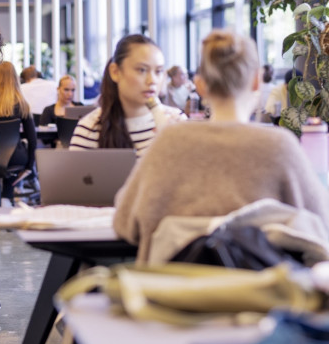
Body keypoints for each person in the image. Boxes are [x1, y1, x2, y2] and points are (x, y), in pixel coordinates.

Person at [113, 30, 329, 262]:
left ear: (200, 85)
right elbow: (322, 228)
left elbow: (125, 223)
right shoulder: (280, 146)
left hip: (173, 294)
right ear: (257, 80)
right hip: (266, 294)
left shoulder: (169, 141)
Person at [69, 34, 185, 156]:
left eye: (158, 71)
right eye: (142, 70)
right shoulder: (90, 128)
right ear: (115, 72)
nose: (152, 80)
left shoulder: (176, 121)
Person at [0, 61, 37, 209]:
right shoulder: (22, 104)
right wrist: (29, 166)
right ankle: (7, 196)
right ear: (15, 79)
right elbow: (32, 139)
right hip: (14, 159)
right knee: (12, 164)